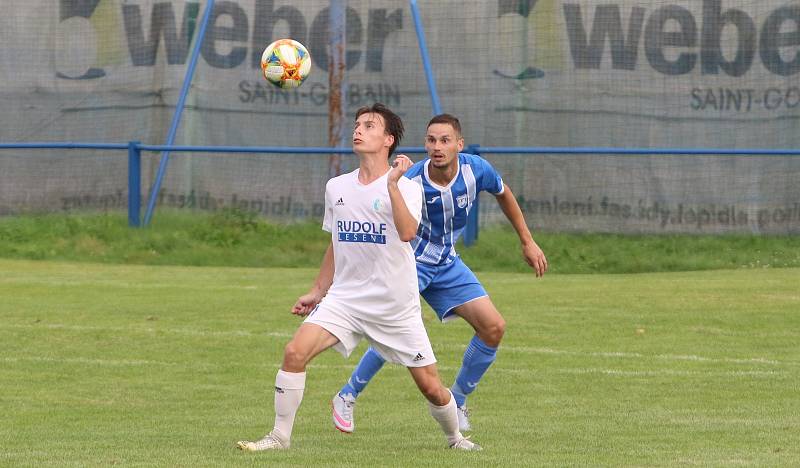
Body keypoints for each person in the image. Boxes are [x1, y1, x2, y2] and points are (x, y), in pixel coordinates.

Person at [237, 104, 480, 452]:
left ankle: (455, 439)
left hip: (394, 305)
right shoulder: (336, 186)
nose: (358, 130)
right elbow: (336, 243)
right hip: (345, 300)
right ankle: (279, 438)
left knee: (431, 387)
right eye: (357, 125)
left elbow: (409, 232)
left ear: (388, 140)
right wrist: (318, 290)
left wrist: (393, 185)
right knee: (294, 353)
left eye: (369, 125)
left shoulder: (406, 186)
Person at [332, 113, 547, 434]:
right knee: (395, 331)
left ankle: (458, 399)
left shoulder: (477, 170)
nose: (437, 146)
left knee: (493, 327)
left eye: (445, 140)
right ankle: (347, 394)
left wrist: (527, 241)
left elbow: (505, 194)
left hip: (446, 263)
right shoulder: (412, 180)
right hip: (410, 264)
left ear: (459, 145)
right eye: (431, 140)